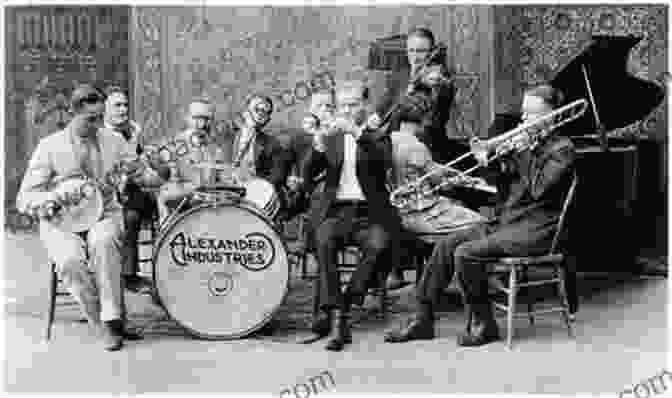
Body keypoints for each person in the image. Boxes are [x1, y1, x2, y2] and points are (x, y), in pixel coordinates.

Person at [384, 84, 576, 347]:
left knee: (465, 252)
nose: (523, 120)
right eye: (524, 113)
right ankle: (422, 318)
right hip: (509, 222)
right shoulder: (528, 146)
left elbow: (538, 188)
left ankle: (485, 323)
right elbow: (506, 187)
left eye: (531, 114)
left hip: (536, 230)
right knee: (446, 244)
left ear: (551, 115)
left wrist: (522, 151)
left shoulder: (562, 150)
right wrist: (496, 161)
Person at [16, 84, 164, 351]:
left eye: (99, 117)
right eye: (90, 119)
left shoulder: (114, 141)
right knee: (71, 261)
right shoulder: (50, 147)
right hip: (62, 222)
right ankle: (102, 321)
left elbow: (143, 175)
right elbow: (25, 197)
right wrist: (50, 202)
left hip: (103, 213)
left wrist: (159, 173)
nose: (97, 125)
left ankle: (112, 322)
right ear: (73, 113)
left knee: (104, 242)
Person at [295, 80, 399, 351]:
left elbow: (384, 161)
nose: (347, 110)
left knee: (378, 245)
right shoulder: (331, 136)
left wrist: (356, 131)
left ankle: (344, 304)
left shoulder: (377, 133)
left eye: (353, 105)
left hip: (370, 213)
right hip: (336, 210)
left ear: (364, 105)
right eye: (343, 105)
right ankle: (340, 314)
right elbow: (307, 176)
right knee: (323, 240)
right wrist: (317, 146)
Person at [374, 27, 457, 164]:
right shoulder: (399, 76)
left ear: (432, 52)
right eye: (411, 50)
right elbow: (386, 102)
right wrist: (376, 116)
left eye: (421, 51)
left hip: (427, 147)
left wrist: (435, 82)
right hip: (394, 145)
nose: (415, 57)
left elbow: (443, 93)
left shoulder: (438, 75)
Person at [102, 85, 155, 294]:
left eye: (125, 105)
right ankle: (128, 276)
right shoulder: (100, 134)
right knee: (130, 217)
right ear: (105, 109)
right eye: (117, 106)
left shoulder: (130, 132)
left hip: (130, 189)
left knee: (167, 203)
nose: (123, 110)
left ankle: (167, 268)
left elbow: (138, 164)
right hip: (105, 194)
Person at [220, 94, 292, 221]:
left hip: (255, 196)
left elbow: (278, 176)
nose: (261, 114)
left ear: (268, 119)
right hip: (226, 193)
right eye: (257, 109)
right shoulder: (227, 139)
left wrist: (253, 180)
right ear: (245, 111)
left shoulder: (273, 144)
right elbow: (218, 167)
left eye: (266, 112)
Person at [155, 99, 227, 222]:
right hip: (181, 206)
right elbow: (167, 187)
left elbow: (222, 179)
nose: (202, 124)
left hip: (209, 204)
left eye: (207, 119)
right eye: (197, 118)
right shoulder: (175, 145)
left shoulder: (215, 149)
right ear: (187, 118)